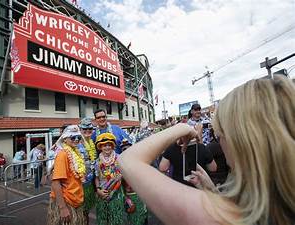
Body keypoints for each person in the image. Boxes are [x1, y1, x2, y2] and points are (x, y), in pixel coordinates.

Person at [118, 76, 295, 225]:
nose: (220, 141)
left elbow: (128, 160)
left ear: (241, 141)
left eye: (221, 135)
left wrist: (181, 128)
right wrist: (212, 190)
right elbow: (213, 169)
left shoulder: (229, 216)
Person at [47, 125, 86, 225]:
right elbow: (56, 182)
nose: (76, 139)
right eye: (73, 137)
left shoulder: (75, 152)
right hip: (67, 201)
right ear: (65, 139)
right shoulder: (62, 154)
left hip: (76, 200)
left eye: (78, 137)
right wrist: (63, 208)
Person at [94, 133, 125, 225]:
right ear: (100, 147)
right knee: (103, 219)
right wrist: (98, 190)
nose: (107, 147)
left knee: (116, 219)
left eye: (109, 145)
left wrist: (121, 176)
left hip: (116, 193)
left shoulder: (119, 159)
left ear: (113, 146)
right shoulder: (97, 161)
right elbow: (96, 178)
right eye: (104, 145)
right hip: (102, 193)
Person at [121, 139, 148, 225]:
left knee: (143, 217)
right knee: (132, 218)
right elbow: (120, 184)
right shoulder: (120, 165)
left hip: (140, 196)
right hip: (129, 197)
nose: (127, 151)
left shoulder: (140, 162)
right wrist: (125, 198)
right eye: (124, 149)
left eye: (129, 148)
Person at [77, 118, 98, 225]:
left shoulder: (91, 142)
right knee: (79, 213)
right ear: (80, 130)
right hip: (78, 185)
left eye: (90, 129)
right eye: (84, 129)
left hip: (89, 183)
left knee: (86, 212)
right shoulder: (75, 143)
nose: (87, 131)